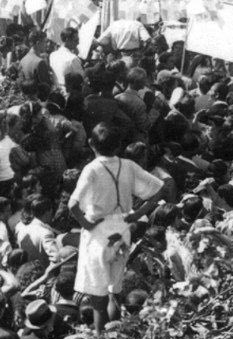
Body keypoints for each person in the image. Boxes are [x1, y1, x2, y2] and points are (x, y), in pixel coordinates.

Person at [67, 123, 165, 323]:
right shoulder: (128, 165)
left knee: (98, 294)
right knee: (113, 290)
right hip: (122, 228)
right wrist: (137, 214)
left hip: (98, 232)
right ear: (119, 145)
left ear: (91, 144)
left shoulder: (91, 169)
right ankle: (114, 335)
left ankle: (100, 337)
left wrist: (86, 225)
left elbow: (72, 205)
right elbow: (158, 189)